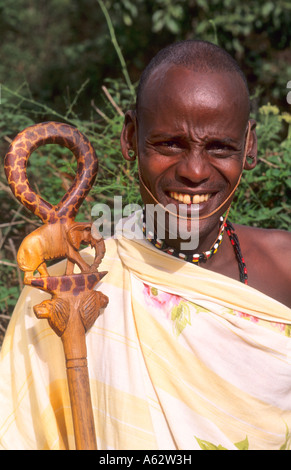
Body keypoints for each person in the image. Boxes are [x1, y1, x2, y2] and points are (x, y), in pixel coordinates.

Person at [0, 40, 291, 451]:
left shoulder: (285, 268)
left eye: (221, 147)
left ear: (250, 148)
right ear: (131, 136)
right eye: (170, 143)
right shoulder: (68, 284)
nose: (194, 171)